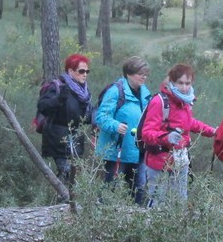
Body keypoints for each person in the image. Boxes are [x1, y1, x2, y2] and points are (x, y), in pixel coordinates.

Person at [140, 63, 216, 207]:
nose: (184, 87)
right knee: (158, 205)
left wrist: (211, 131)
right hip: (159, 162)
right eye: (180, 83)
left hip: (180, 160)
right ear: (172, 82)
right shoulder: (159, 102)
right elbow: (146, 133)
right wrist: (166, 138)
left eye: (187, 83)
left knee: (180, 203)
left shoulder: (185, 102)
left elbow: (189, 123)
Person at [94, 56, 152, 203]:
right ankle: (101, 219)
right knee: (109, 188)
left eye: (145, 74)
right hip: (116, 151)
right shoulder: (115, 91)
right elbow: (101, 116)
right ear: (129, 73)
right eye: (140, 73)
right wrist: (115, 125)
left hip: (138, 150)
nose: (144, 77)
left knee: (139, 189)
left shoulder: (145, 93)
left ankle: (136, 220)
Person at [38, 53, 94, 186]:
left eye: (87, 71)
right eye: (81, 71)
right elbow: (43, 106)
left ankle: (63, 202)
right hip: (57, 139)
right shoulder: (56, 87)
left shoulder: (84, 92)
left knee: (71, 176)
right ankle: (61, 202)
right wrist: (59, 99)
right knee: (67, 172)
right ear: (70, 71)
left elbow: (82, 118)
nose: (85, 74)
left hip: (75, 140)